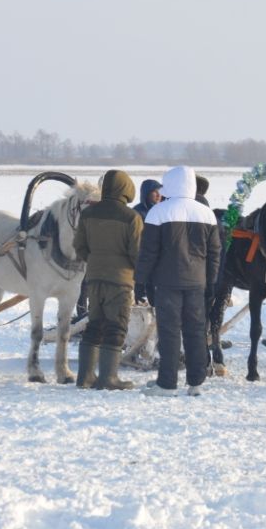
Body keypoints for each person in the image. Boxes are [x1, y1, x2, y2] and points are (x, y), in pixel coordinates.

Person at [136, 166, 221, 396]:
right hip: (198, 283)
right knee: (195, 332)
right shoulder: (207, 214)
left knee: (169, 332)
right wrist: (211, 282)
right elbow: (214, 253)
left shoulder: (158, 212)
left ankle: (167, 383)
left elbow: (148, 253)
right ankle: (196, 383)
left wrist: (140, 281)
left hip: (166, 283)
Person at [73, 169, 144, 390]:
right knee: (116, 326)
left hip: (93, 279)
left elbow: (79, 247)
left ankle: (85, 377)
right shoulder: (131, 217)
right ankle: (109, 378)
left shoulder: (88, 214)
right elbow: (137, 253)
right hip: (120, 280)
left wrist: (95, 262)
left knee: (94, 325)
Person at [133, 178, 162, 306]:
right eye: (154, 192)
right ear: (146, 193)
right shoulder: (137, 212)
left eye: (160, 191)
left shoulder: (164, 210)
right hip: (142, 258)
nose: (158, 194)